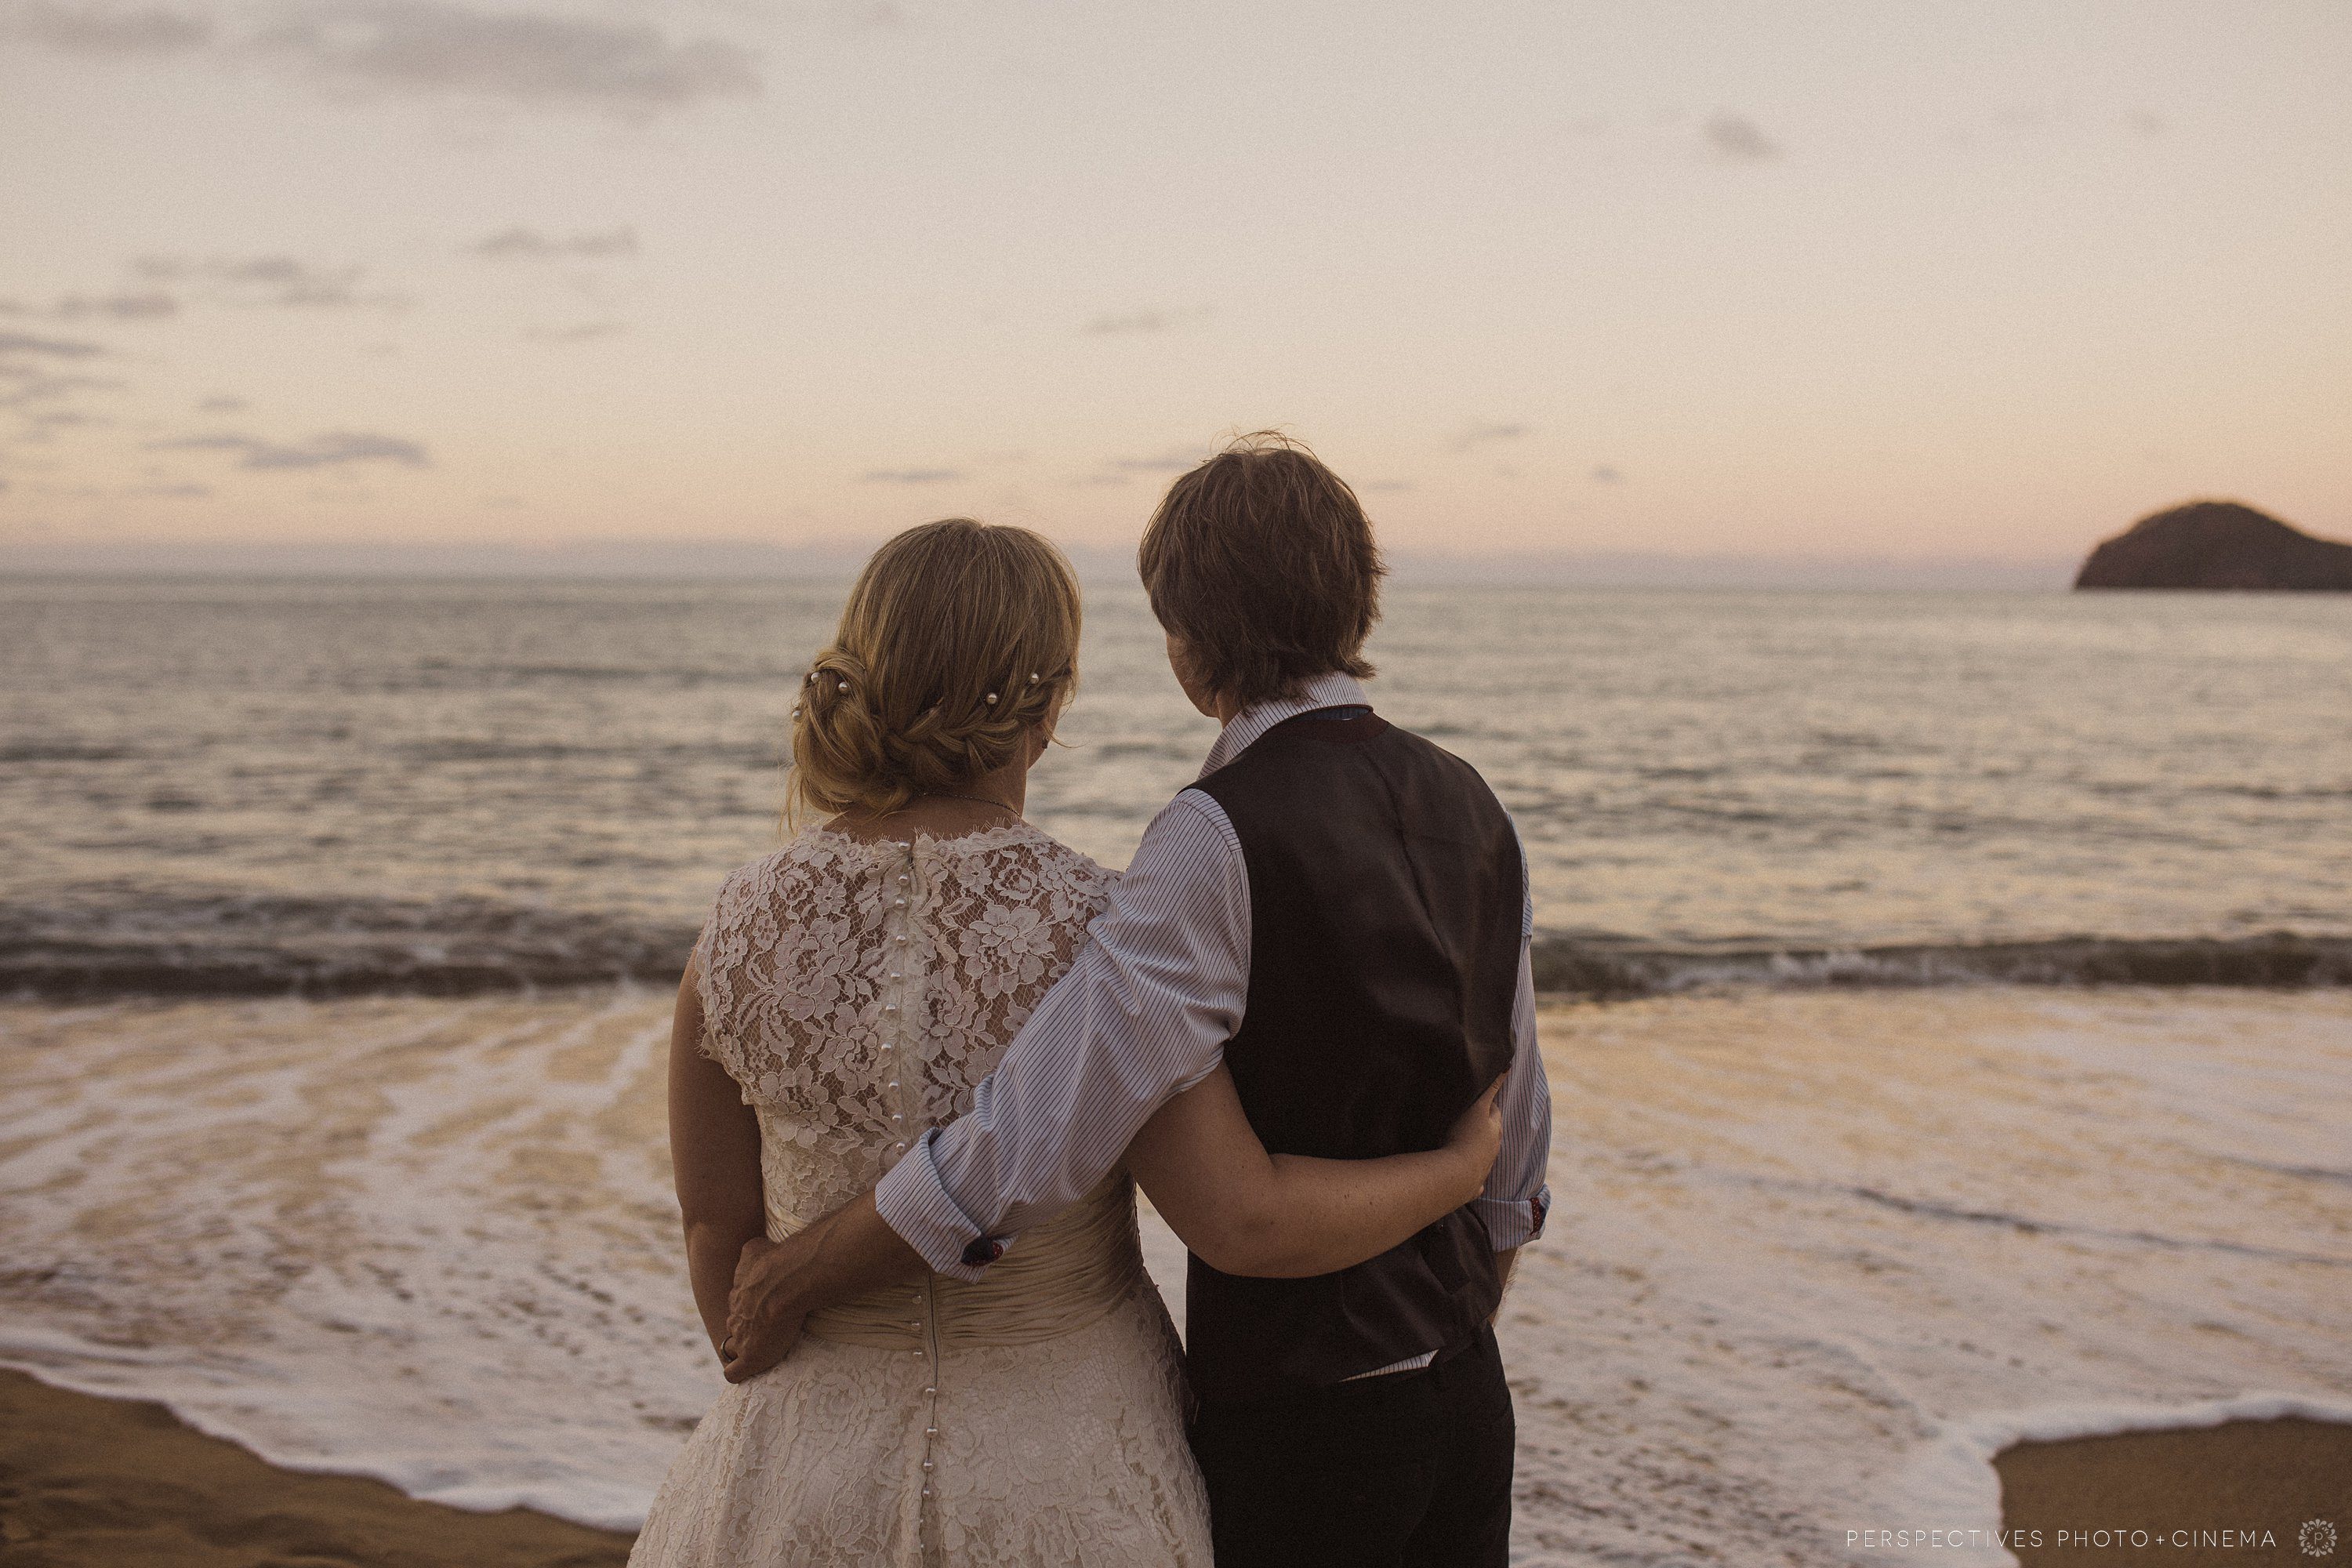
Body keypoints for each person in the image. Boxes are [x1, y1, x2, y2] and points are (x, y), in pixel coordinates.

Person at [724, 435, 1554, 1567]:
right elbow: (1520, 1143)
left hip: (1305, 1424)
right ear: (1361, 604)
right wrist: (1449, 1330)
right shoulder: (1472, 803)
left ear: (1185, 639)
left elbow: (1036, 1132)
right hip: (1467, 1405)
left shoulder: (1211, 838)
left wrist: (806, 1269)